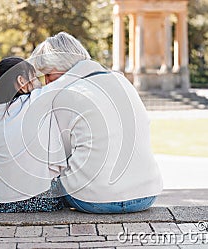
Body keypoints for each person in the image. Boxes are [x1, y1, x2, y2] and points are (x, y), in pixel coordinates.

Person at [27, 32, 163, 213]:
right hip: (146, 194)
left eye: (48, 74)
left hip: (94, 199)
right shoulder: (122, 80)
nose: (46, 82)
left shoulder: (63, 94)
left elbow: (57, 156)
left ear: (61, 66)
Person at [0, 57, 66, 213]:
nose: (40, 83)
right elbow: (68, 82)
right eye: (35, 78)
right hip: (42, 200)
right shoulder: (38, 100)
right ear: (22, 81)